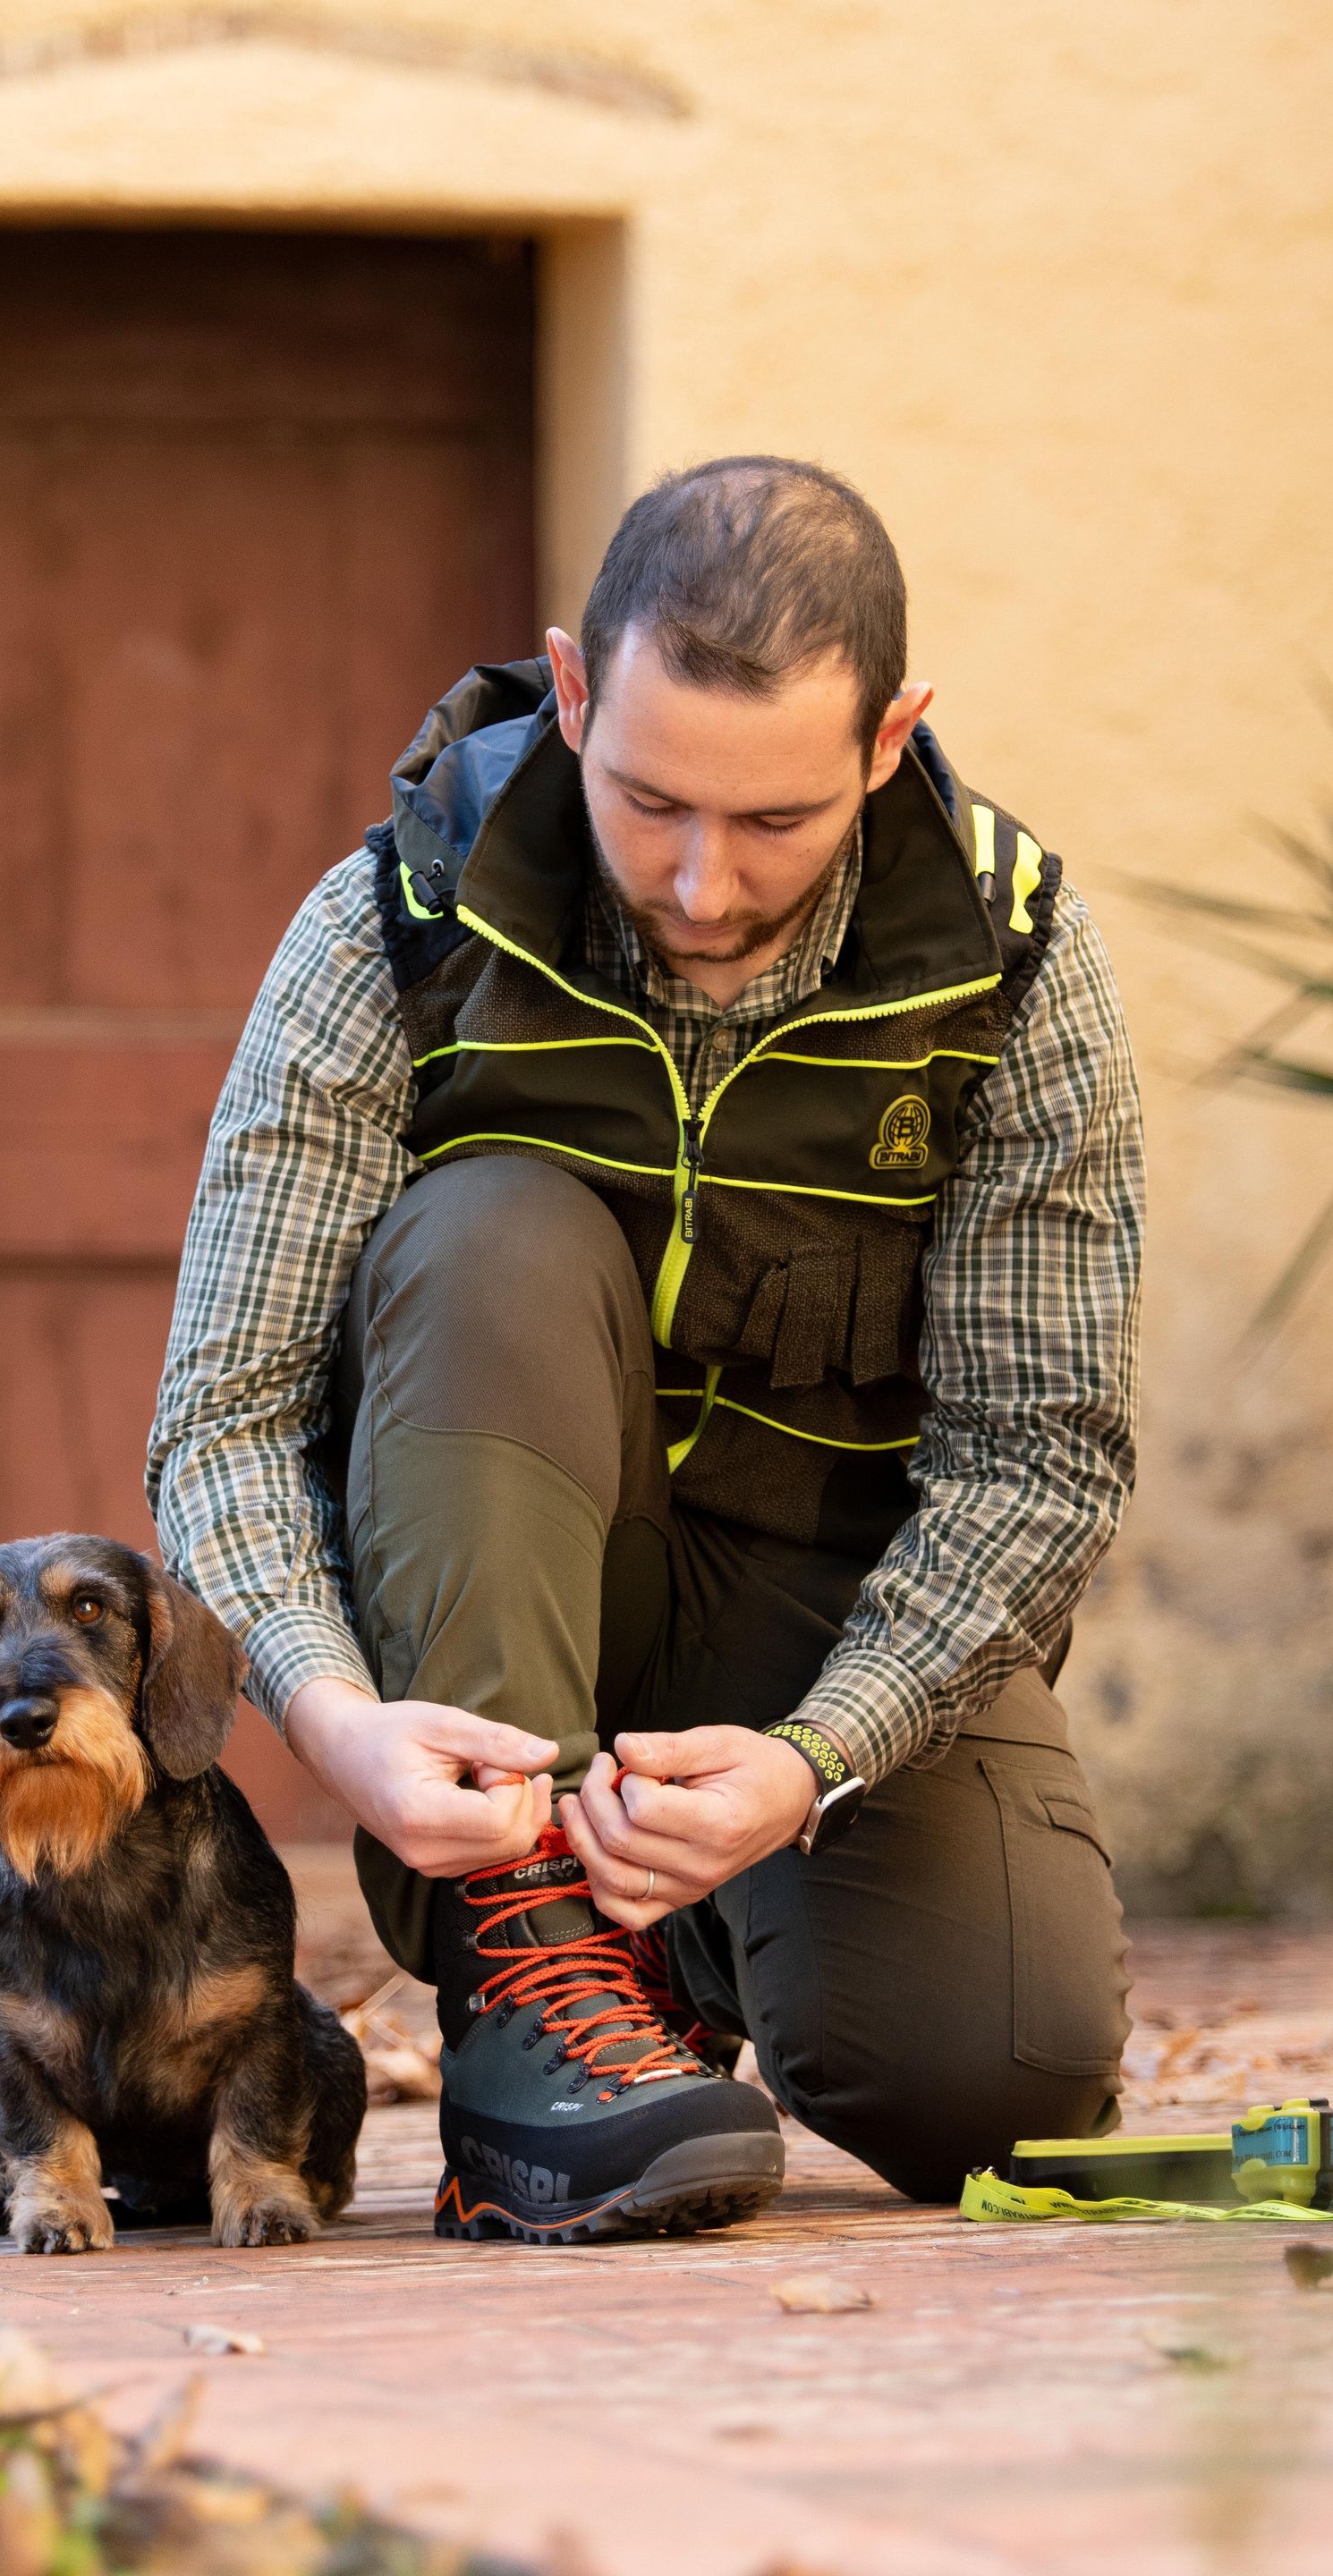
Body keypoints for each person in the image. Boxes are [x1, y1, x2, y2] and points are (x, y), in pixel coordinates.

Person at [147, 456, 1142, 2241]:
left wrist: (819, 1755)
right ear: (577, 687)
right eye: (652, 800)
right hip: (497, 1594)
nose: (700, 883)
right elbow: (218, 1417)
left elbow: (1040, 1458)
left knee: (993, 2079)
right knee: (493, 1226)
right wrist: (335, 1716)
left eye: (777, 823)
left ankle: (677, 1940)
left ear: (892, 736)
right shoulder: (393, 922)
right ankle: (537, 1973)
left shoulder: (1015, 963)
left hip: (823, 1625)